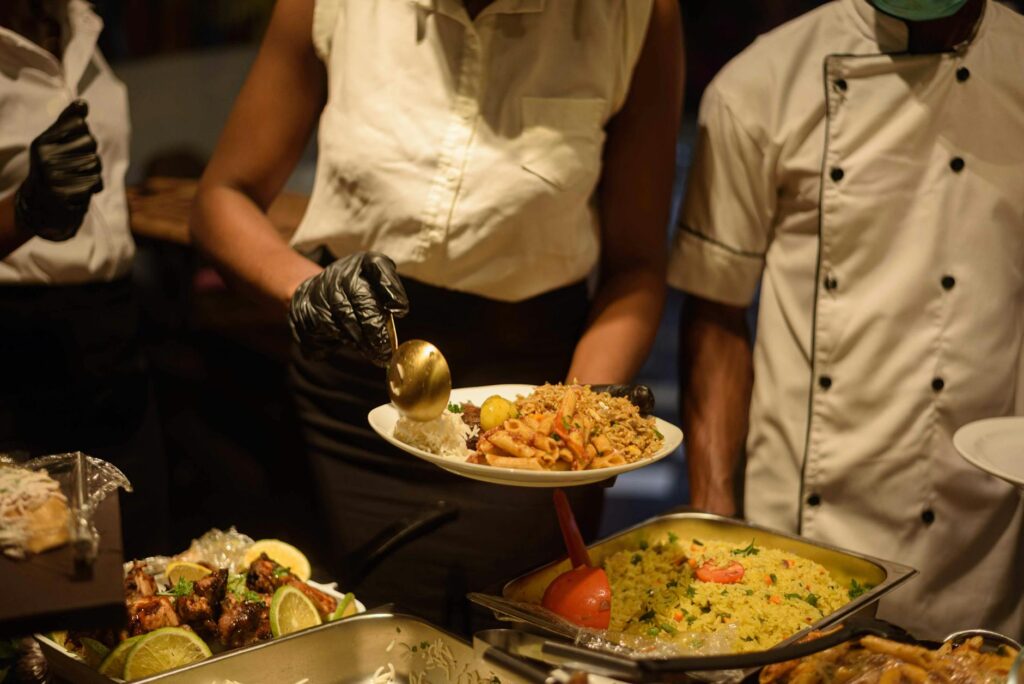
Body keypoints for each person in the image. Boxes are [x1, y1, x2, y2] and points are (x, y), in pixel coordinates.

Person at [192, 0, 683, 630]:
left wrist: (576, 415)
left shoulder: (634, 13)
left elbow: (636, 267)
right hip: (352, 398)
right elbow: (221, 196)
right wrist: (305, 290)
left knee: (503, 647)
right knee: (334, 638)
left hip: (531, 417)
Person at [671, 0, 1024, 639]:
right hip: (797, 548)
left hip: (983, 543)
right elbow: (716, 308)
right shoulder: (761, 84)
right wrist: (713, 521)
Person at [0, 0, 167, 558]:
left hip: (113, 336)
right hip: (14, 348)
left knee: (140, 568)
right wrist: (24, 210)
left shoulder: (81, 23)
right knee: (36, 581)